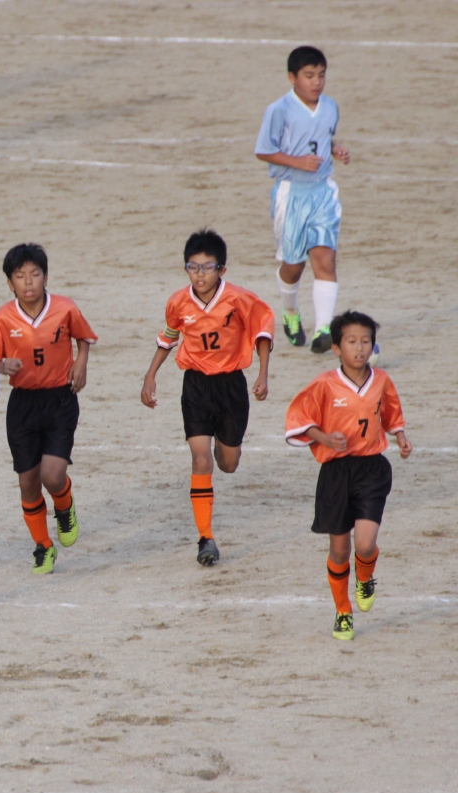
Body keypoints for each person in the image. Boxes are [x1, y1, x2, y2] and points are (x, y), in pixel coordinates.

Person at [141, 229, 274, 566]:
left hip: (231, 386)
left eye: (207, 267)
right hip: (196, 386)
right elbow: (169, 336)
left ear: (222, 269)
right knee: (201, 461)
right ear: (186, 268)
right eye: (193, 267)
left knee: (227, 464)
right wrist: (150, 374)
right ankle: (206, 538)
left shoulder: (239, 299)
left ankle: (222, 447)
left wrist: (262, 373)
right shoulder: (178, 302)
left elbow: (262, 330)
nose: (200, 274)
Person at [284, 311, 411, 641]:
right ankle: (343, 611)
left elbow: (391, 413)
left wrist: (400, 437)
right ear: (337, 348)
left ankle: (365, 578)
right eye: (352, 341)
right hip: (336, 473)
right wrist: (325, 438)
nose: (359, 348)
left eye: (366, 341)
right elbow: (300, 419)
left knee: (365, 545)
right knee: (340, 551)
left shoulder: (381, 380)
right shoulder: (325, 383)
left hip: (372, 469)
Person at [0, 244, 97, 575]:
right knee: (28, 482)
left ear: (45, 277)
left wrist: (81, 361)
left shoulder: (65, 308)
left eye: (34, 274)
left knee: (52, 475)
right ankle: (43, 546)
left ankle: (64, 505)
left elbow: (84, 337)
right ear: (10, 283)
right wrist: (2, 366)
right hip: (23, 404)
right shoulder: (2, 319)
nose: (28, 281)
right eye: (20, 276)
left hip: (61, 399)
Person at [255, 45, 350, 353]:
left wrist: (334, 149)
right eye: (309, 76)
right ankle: (290, 311)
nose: (316, 82)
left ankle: (324, 329)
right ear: (292, 77)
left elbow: (321, 136)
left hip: (323, 192)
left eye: (321, 75)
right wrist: (297, 162)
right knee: (293, 266)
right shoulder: (279, 110)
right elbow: (263, 150)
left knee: (325, 259)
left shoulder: (331, 106)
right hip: (291, 194)